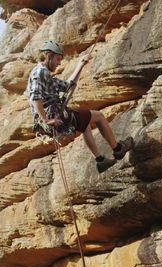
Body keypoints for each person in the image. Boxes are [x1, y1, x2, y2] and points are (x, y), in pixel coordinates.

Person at [26, 40, 134, 173]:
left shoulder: (44, 74)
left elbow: (67, 86)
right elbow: (35, 97)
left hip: (55, 115)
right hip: (54, 117)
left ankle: (100, 161)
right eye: (58, 59)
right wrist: (47, 120)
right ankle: (118, 150)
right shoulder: (40, 72)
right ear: (48, 55)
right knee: (99, 116)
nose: (59, 63)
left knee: (85, 125)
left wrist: (80, 65)